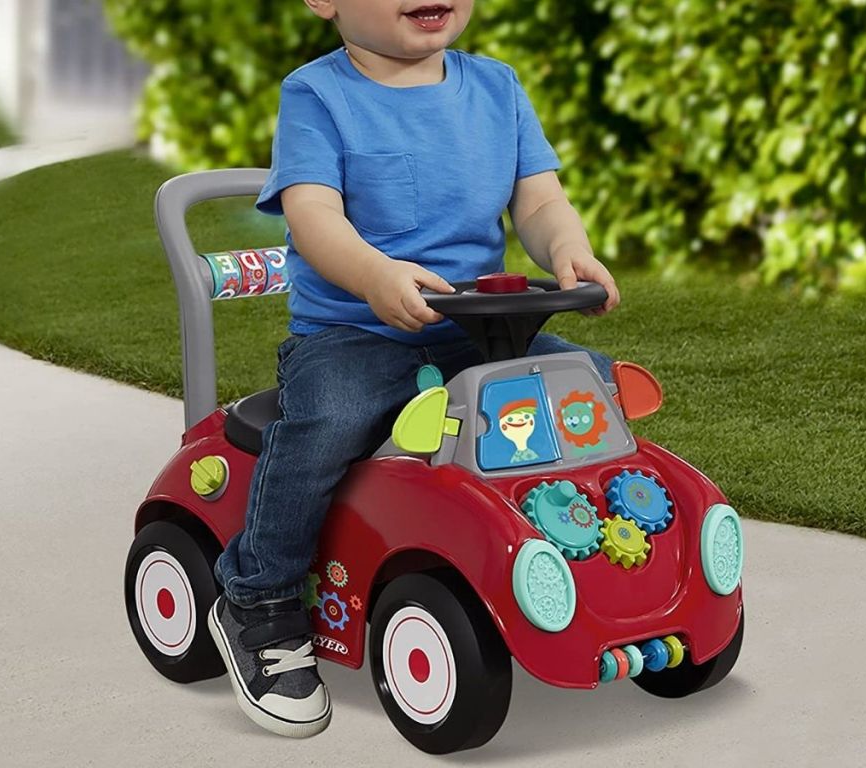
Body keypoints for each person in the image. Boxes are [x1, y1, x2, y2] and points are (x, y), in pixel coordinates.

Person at [207, 0, 621, 738]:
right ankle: (259, 598)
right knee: (328, 421)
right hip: (356, 334)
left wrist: (566, 249)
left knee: (587, 380)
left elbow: (540, 199)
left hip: (472, 333)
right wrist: (373, 276)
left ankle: (578, 557)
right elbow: (314, 218)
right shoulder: (318, 94)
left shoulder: (497, 86)